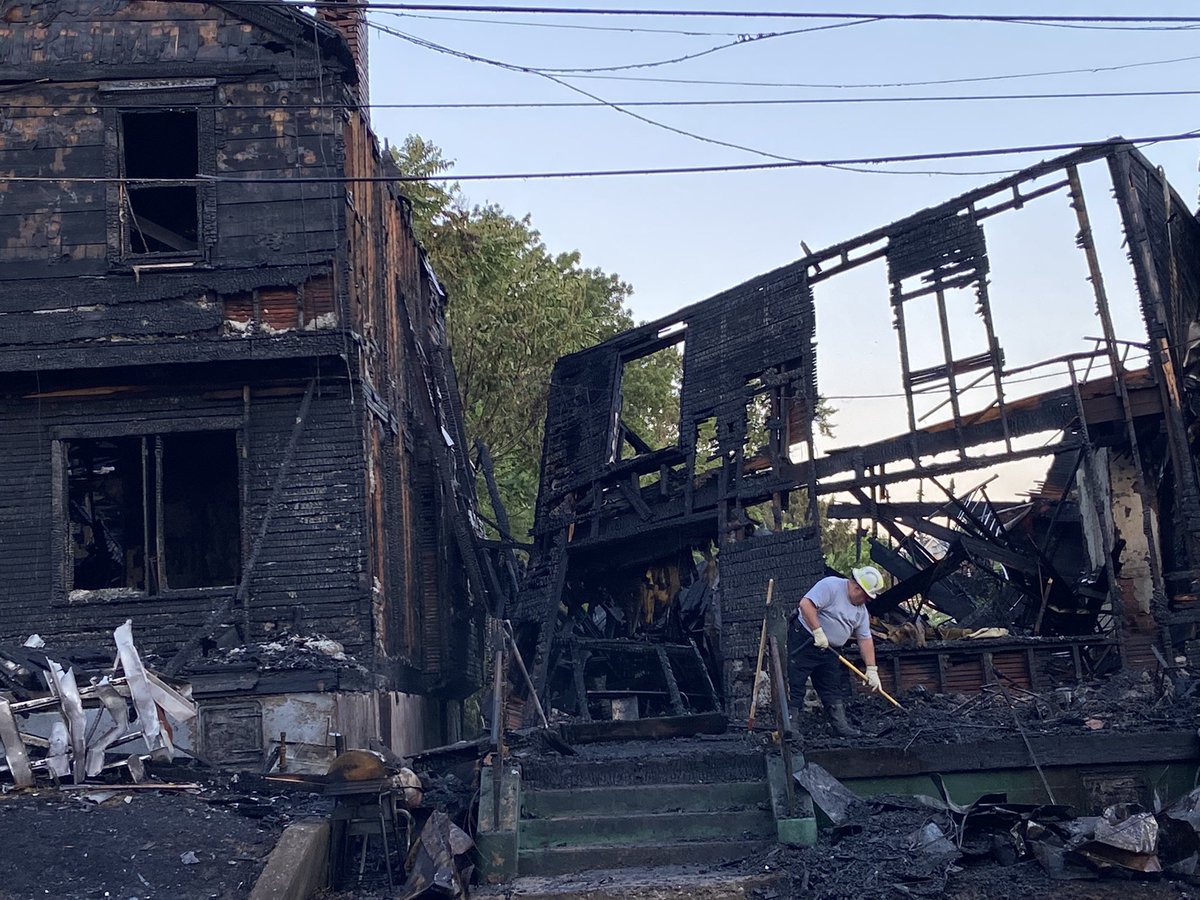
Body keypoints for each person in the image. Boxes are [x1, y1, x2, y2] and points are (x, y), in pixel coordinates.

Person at [788, 565, 885, 737]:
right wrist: (818, 631)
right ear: (857, 587)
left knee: (831, 686)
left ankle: (840, 727)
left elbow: (865, 639)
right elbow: (806, 604)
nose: (867, 601)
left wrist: (872, 669)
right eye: (866, 596)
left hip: (830, 649)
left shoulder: (861, 612)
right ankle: (790, 727)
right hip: (805, 639)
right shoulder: (831, 586)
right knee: (796, 682)